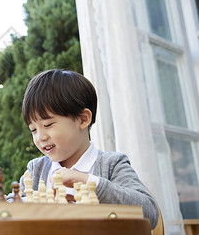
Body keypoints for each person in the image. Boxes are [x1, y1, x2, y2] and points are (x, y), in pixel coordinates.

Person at [11, 69, 159, 229]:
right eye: (33, 130)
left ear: (83, 119)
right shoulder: (36, 170)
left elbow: (150, 213)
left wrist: (88, 181)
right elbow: (8, 209)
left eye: (48, 125)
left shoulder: (111, 164)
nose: (40, 137)